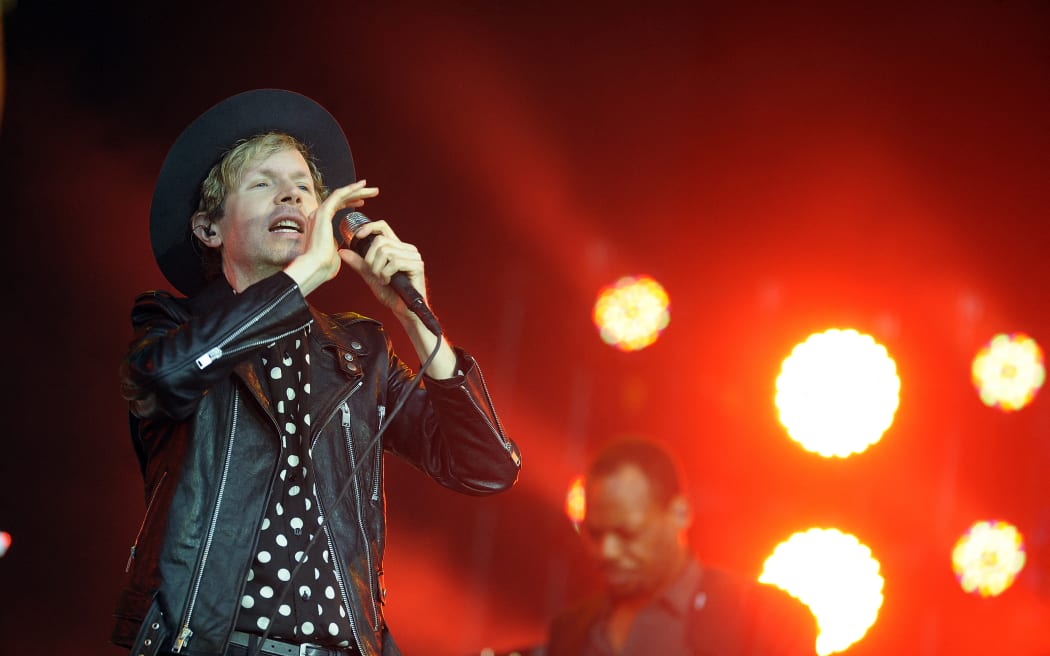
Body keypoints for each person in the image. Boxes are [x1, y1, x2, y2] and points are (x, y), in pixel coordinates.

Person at [111, 89, 521, 656]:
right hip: (212, 641)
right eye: (262, 184)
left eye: (304, 187)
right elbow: (159, 379)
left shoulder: (359, 349)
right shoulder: (173, 323)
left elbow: (486, 467)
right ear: (209, 229)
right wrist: (301, 277)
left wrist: (414, 316)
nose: (291, 195)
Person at [546, 439, 814, 656]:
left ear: (680, 513)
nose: (607, 551)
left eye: (627, 533)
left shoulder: (763, 618)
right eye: (595, 534)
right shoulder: (569, 629)